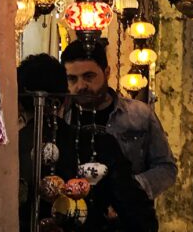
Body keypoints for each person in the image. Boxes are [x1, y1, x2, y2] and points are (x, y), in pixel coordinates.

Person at [18, 54, 157, 232]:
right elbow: (139, 216)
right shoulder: (96, 144)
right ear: (65, 99)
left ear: (17, 103)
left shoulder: (6, 153)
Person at [61, 39, 176, 200]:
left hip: (127, 218)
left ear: (107, 72)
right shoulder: (60, 119)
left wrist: (130, 187)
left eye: (88, 76)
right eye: (72, 79)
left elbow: (166, 168)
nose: (81, 86)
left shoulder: (139, 115)